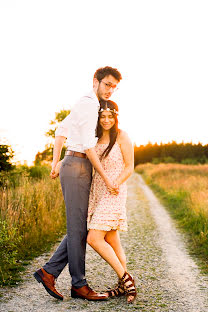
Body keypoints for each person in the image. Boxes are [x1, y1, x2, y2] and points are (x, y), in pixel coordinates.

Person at [33, 66, 122, 301]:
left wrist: (56, 161)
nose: (110, 90)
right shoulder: (89, 103)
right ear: (96, 81)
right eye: (107, 84)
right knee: (77, 228)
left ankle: (49, 272)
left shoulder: (89, 103)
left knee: (79, 228)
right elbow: (88, 147)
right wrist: (105, 177)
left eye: (114, 87)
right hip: (78, 165)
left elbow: (61, 130)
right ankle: (78, 284)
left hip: (76, 164)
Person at [87, 99, 136, 304]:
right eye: (102, 116)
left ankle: (127, 281)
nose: (106, 120)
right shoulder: (93, 136)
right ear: (98, 117)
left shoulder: (122, 136)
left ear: (116, 117)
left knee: (94, 238)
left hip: (114, 192)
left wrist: (115, 183)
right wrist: (59, 164)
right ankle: (121, 285)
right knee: (112, 239)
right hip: (97, 191)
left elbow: (130, 166)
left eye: (110, 116)